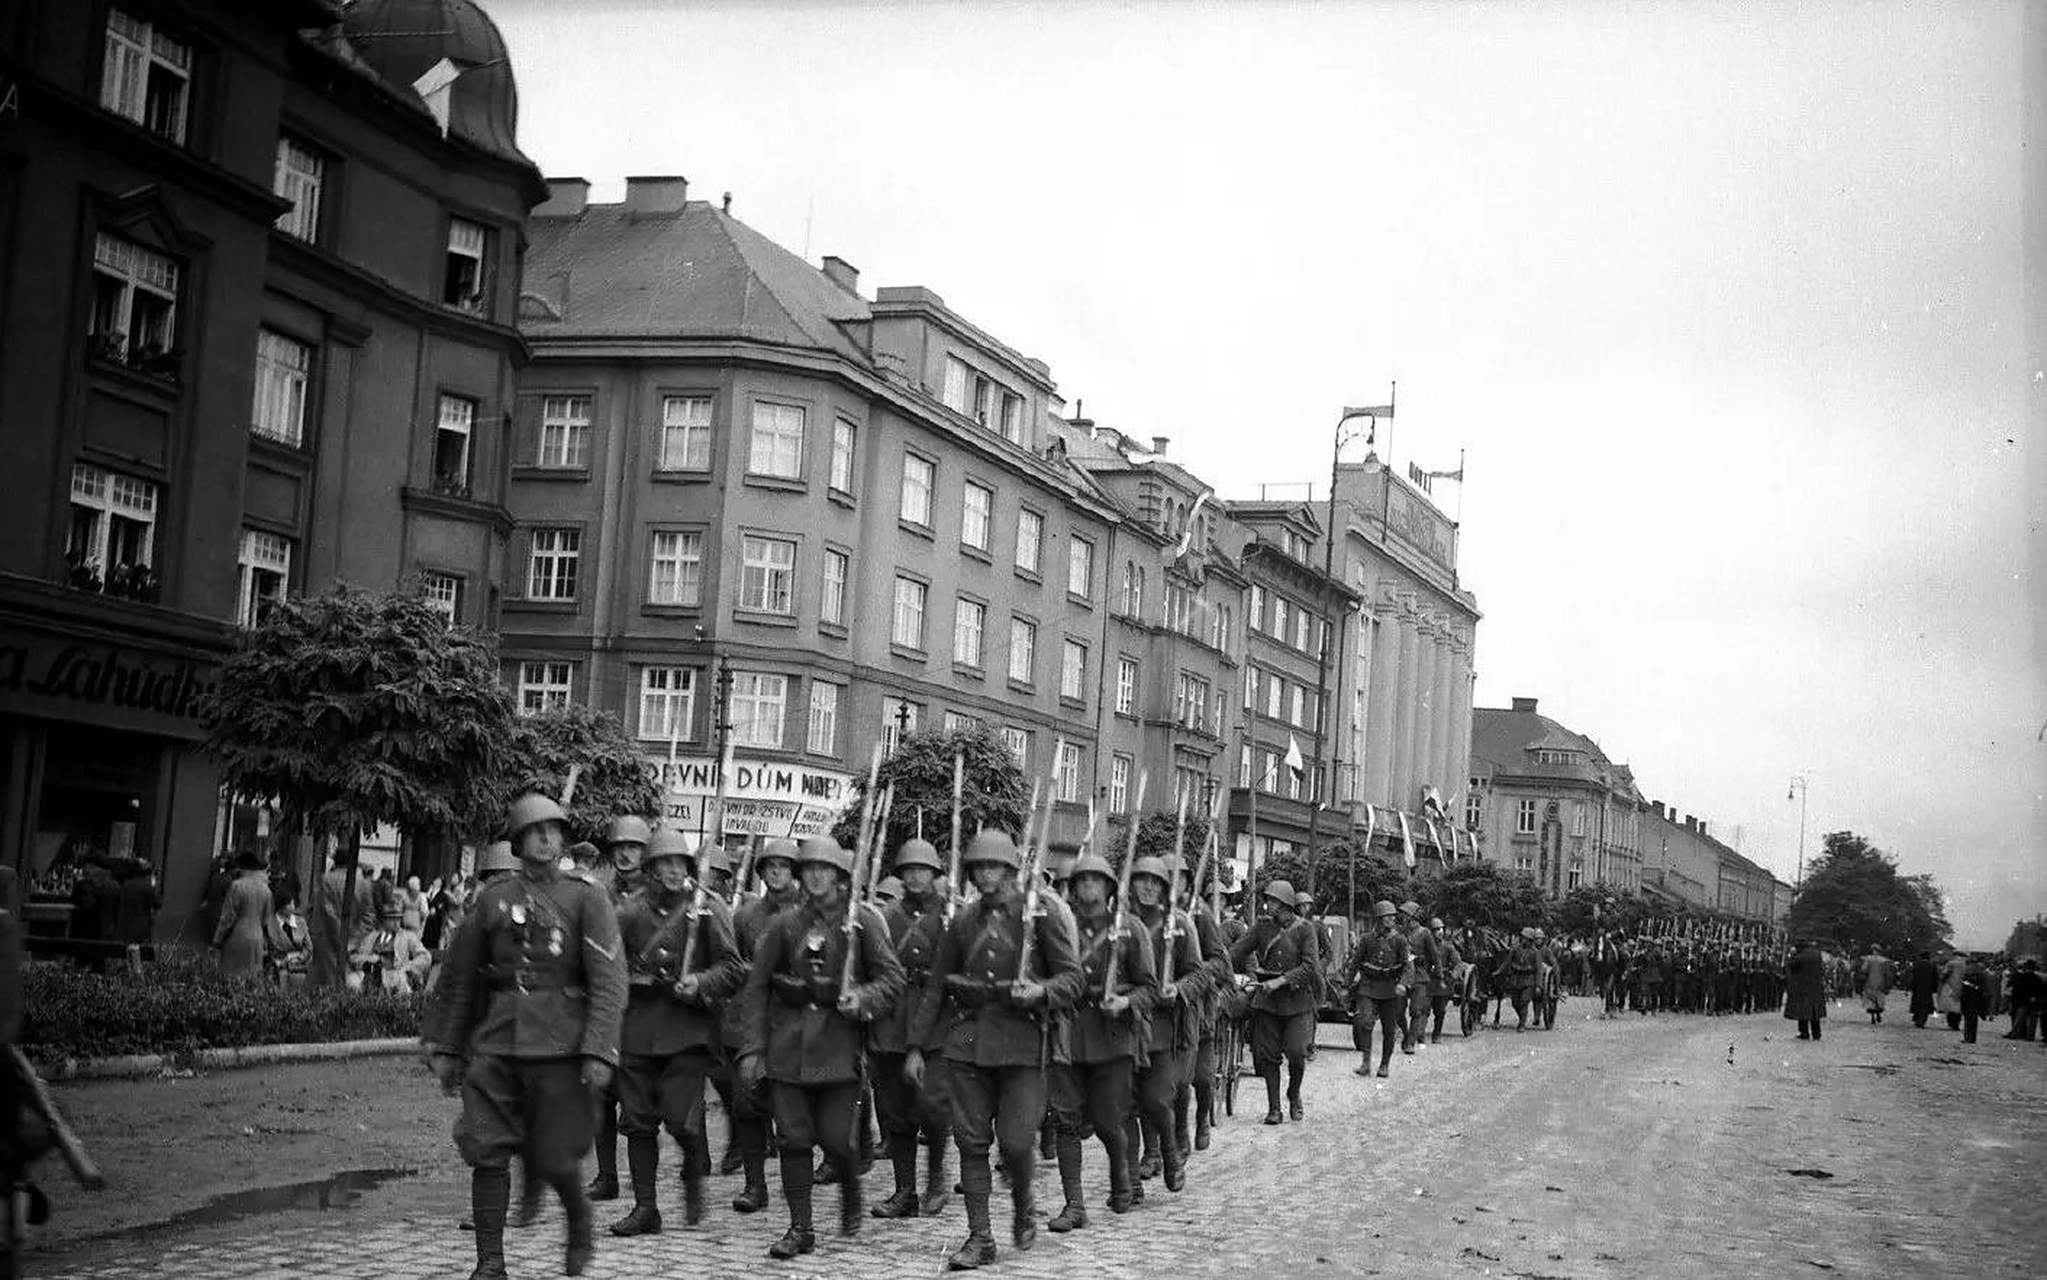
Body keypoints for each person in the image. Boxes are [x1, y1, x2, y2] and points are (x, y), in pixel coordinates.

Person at [424, 792, 628, 1280]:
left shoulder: (586, 898)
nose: (545, 837)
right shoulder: (493, 900)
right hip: (498, 1040)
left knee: (555, 1157)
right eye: (536, 830)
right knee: (485, 1145)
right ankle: (490, 1262)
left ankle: (579, 1221)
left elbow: (609, 979)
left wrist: (600, 1048)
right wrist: (448, 1045)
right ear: (517, 841)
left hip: (560, 1044)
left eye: (554, 830)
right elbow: (460, 978)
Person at [908, 828, 1083, 1272]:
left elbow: (1072, 980)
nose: (986, 875)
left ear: (1010, 870)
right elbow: (935, 988)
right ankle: (980, 1237)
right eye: (979, 867)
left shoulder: (1039, 916)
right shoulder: (963, 922)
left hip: (1023, 1045)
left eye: (995, 867)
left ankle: (1024, 1200)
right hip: (967, 1044)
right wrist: (914, 1045)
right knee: (970, 1144)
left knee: (1018, 1142)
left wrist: (1039, 991)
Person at [737, 835, 904, 1260]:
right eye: (808, 868)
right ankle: (801, 1227)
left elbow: (892, 979)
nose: (816, 876)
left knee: (836, 1140)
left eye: (825, 869)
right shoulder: (784, 925)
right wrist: (752, 1050)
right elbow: (756, 989)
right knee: (793, 1140)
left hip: (838, 1046)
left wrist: (862, 999)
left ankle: (850, 1186)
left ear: (840, 875)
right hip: (787, 1047)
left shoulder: (860, 921)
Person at [609, 828, 744, 1237]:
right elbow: (608, 964)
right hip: (638, 1028)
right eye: (663, 863)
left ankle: (692, 1167)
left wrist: (701, 982)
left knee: (680, 1119)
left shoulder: (707, 908)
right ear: (649, 869)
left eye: (679, 863)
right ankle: (645, 1207)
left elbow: (733, 967)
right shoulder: (630, 912)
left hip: (687, 1030)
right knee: (636, 1121)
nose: (672, 870)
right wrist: (634, 977)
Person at [1045, 852, 1155, 1231]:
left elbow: (1149, 989)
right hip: (1069, 1032)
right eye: (1082, 881)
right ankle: (1074, 1205)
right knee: (1065, 1120)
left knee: (1111, 1121)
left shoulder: (1130, 929)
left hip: (1113, 1036)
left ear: (1109, 887)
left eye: (1096, 880)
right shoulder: (1060, 927)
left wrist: (1125, 1001)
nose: (1088, 886)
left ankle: (1122, 1177)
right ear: (1072, 888)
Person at [868, 838, 951, 1220]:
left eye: (924, 870)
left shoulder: (950, 917)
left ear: (935, 874)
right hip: (892, 1017)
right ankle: (905, 1191)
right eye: (910, 870)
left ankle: (936, 1176)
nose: (917, 876)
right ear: (901, 875)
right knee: (896, 1111)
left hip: (935, 1022)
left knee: (931, 1107)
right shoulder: (886, 916)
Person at [719, 838, 802, 1215]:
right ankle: (754, 1185)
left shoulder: (811, 913)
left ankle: (795, 1182)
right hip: (752, 1022)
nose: (777, 872)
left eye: (784, 866)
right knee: (747, 1103)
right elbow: (731, 964)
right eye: (770, 867)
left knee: (793, 1111)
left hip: (796, 1022)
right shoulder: (745, 916)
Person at [1126, 854, 1209, 1197]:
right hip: (1127, 1023)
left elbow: (1201, 973)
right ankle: (1129, 1180)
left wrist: (1179, 989)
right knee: (1123, 1104)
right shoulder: (1120, 923)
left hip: (1166, 1027)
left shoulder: (1179, 924)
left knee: (1159, 1100)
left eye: (1155, 882)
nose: (1147, 887)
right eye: (1141, 879)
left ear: (1164, 887)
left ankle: (1171, 1153)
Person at [1227, 881, 1321, 1125]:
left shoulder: (1305, 929)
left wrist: (1281, 981)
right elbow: (1238, 950)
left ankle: (1294, 1093)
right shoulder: (1261, 927)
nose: (1268, 904)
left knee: (1297, 1053)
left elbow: (1310, 966)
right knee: (1267, 1055)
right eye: (1268, 900)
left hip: (1298, 1001)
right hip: (1268, 1002)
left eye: (1273, 901)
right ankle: (1274, 1108)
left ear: (1286, 904)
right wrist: (1220, 962)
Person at [1346, 901, 1409, 1078]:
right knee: (1364, 1022)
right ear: (1378, 918)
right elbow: (1355, 963)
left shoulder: (1400, 940)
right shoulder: (1367, 939)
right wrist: (1347, 983)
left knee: (1389, 1028)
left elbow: (1407, 966)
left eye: (1392, 917)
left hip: (1390, 988)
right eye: (1386, 917)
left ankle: (1384, 1065)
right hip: (1368, 985)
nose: (1390, 919)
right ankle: (1366, 1062)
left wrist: (1403, 983)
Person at [213, 851, 280, 980]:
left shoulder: (236, 886)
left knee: (231, 977)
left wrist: (217, 940)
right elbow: (268, 921)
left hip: (236, 937)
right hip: (257, 938)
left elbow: (228, 918)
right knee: (251, 978)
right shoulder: (266, 890)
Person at [1398, 901, 1435, 1052]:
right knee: (1398, 1010)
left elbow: (1433, 956)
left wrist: (1421, 960)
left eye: (1406, 914)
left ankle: (1410, 1044)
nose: (1403, 917)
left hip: (1420, 976)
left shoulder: (1425, 933)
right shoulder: (1400, 932)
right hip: (1403, 976)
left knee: (1416, 1011)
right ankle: (1407, 1034)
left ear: (1412, 916)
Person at [1495, 928, 1539, 1031]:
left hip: (1529, 980)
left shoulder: (1535, 952)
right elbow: (1507, 962)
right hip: (1516, 979)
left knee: (1524, 1001)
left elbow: (1538, 970)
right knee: (1515, 1003)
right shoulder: (1515, 949)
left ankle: (1522, 1024)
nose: (1524, 940)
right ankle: (1521, 1018)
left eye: (1527, 939)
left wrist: (1538, 985)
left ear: (1530, 940)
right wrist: (1498, 971)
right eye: (1523, 938)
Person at [1783, 938, 1827, 1041]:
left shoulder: (1799, 957)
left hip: (1802, 986)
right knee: (1814, 1011)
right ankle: (1817, 1033)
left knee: (1802, 1011)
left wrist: (1791, 955)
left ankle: (1804, 1032)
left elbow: (1791, 966)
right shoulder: (1817, 954)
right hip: (1815, 986)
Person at [1427, 917, 1462, 1043]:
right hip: (1428, 981)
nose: (1440, 932)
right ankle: (1419, 1035)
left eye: (1441, 929)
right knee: (1423, 1009)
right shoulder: (1426, 947)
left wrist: (1453, 976)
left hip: (1443, 982)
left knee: (1440, 1011)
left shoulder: (1448, 947)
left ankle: (1436, 1034)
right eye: (1436, 930)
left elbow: (1458, 964)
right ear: (1431, 932)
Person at [1858, 945, 1894, 1025]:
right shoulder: (1884, 961)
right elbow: (1887, 973)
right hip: (1881, 982)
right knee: (1878, 999)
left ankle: (1873, 1017)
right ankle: (1878, 1014)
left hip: (1870, 981)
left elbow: (1863, 969)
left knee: (1871, 1000)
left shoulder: (1868, 959)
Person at [1958, 952, 1989, 1044]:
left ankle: (1969, 1038)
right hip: (1974, 999)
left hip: (1970, 998)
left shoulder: (1971, 975)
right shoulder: (1980, 974)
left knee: (1969, 1019)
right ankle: (1970, 1037)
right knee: (1971, 1019)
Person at [1907, 950, 1940, 1028]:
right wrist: (1934, 988)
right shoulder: (1932, 966)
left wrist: (1911, 986)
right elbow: (1935, 978)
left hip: (1917, 987)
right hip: (1928, 988)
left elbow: (1912, 976)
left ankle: (1917, 1017)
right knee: (1926, 1005)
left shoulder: (1916, 965)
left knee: (1917, 1003)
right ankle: (1923, 1020)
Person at [1936, 950, 1967, 1030]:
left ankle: (1952, 1023)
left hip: (1950, 986)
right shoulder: (1965, 964)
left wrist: (1940, 980)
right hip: (1962, 987)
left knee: (1950, 1006)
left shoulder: (1951, 963)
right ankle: (1956, 1023)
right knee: (1958, 1007)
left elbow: (1944, 974)